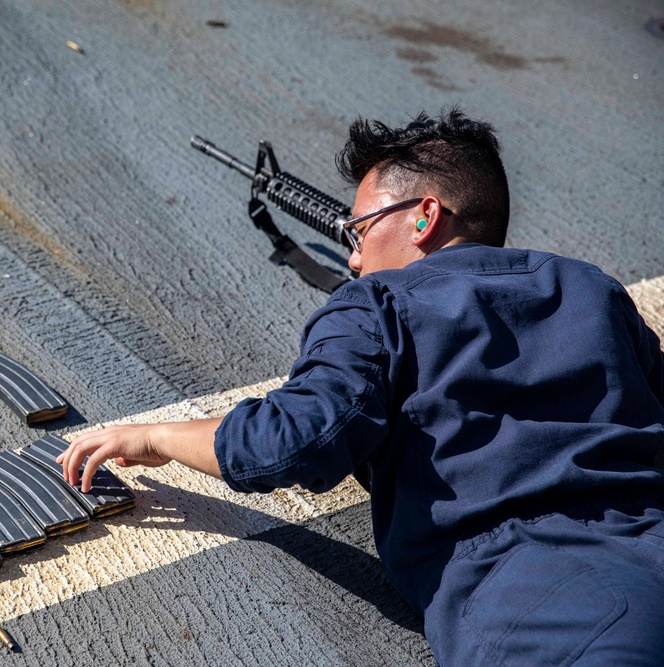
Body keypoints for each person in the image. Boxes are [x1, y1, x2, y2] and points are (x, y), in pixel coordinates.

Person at [58, 108, 664, 666]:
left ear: (424, 217)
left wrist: (157, 437)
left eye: (360, 231)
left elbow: (290, 440)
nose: (351, 259)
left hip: (543, 599)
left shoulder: (376, 302)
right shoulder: (591, 288)